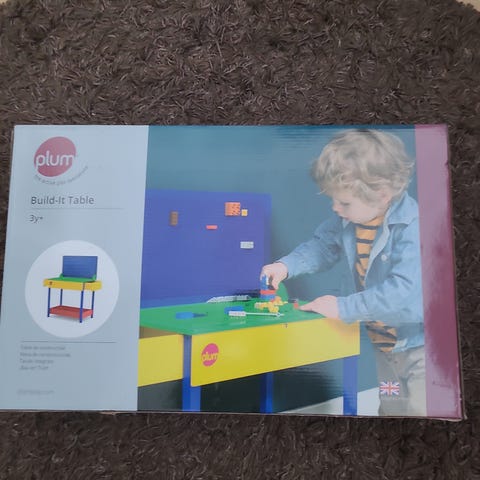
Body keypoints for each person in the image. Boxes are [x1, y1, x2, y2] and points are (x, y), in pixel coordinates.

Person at [261, 129, 426, 416]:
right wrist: (285, 266)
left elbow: (400, 294)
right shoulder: (347, 221)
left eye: (344, 202)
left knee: (422, 412)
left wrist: (341, 307)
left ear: (382, 195)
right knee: (392, 411)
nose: (335, 208)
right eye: (333, 199)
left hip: (421, 347)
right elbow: (321, 248)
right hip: (385, 346)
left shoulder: (413, 227)